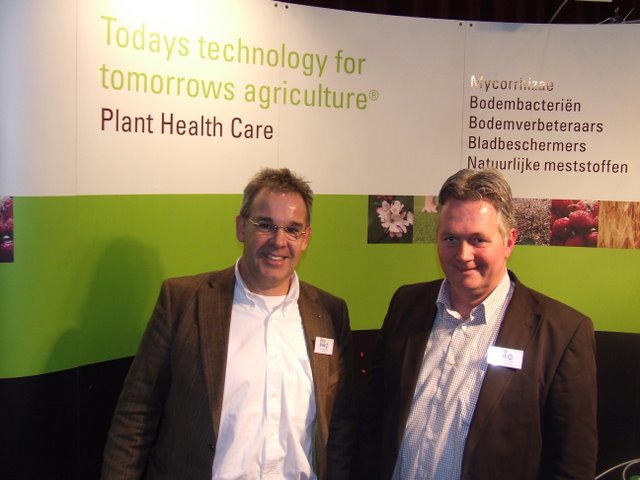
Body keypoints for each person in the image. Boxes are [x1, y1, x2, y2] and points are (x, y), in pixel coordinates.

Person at [101, 167, 354, 480]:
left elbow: (339, 429)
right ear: (241, 227)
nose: (278, 241)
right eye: (265, 225)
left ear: (306, 239)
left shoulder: (329, 314)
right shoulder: (182, 302)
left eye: (292, 229)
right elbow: (136, 417)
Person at [355, 168, 597, 480]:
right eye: (450, 239)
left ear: (509, 242)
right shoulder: (406, 306)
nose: (463, 255)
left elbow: (572, 466)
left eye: (478, 240)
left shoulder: (562, 333)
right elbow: (372, 423)